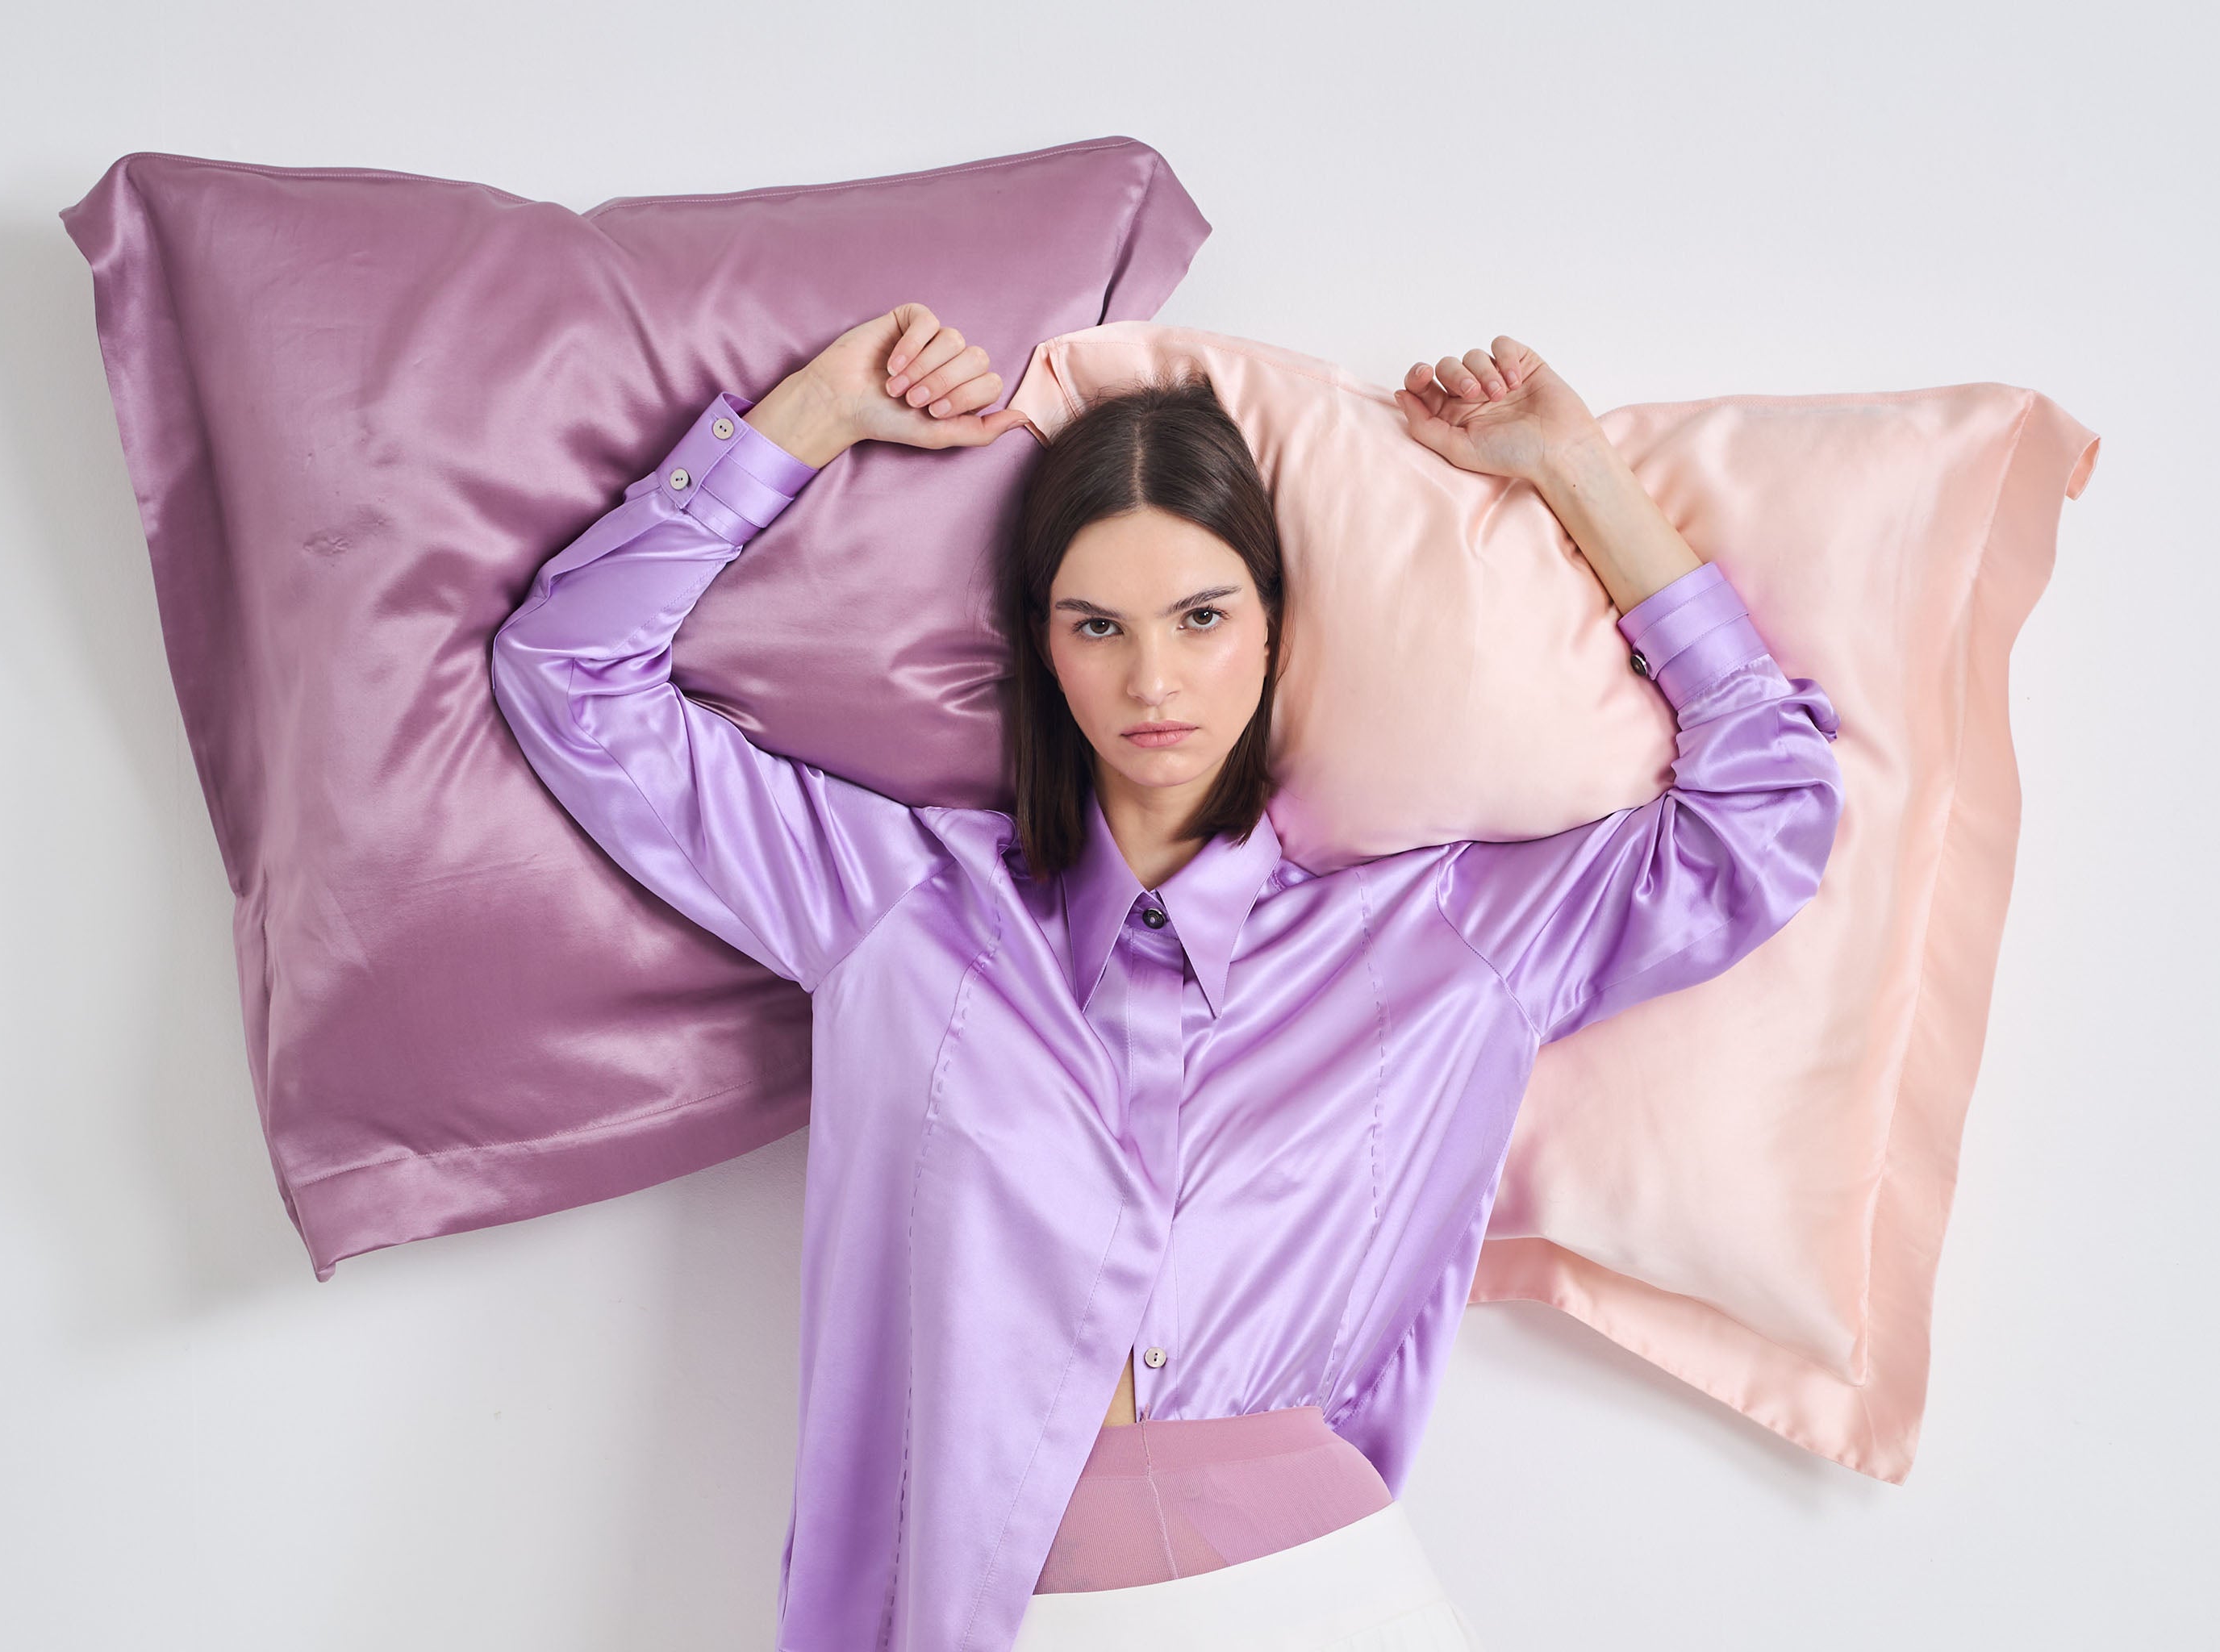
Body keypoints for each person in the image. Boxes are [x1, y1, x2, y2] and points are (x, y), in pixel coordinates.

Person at [490, 304, 1843, 1652]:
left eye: (1202, 617)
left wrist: (1579, 473)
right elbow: (571, 679)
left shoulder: (1442, 938)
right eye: (1099, 627)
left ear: (1273, 629)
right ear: (1044, 645)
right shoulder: (901, 905)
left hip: (1323, 1602)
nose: (1153, 680)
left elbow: (1769, 813)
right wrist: (814, 414)